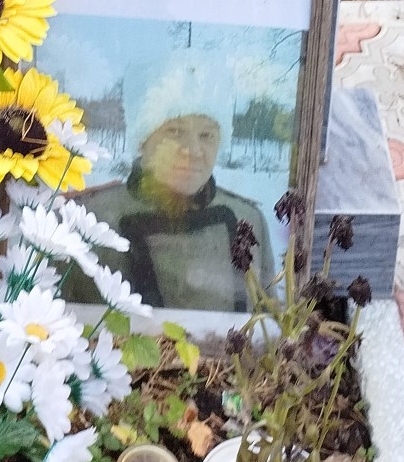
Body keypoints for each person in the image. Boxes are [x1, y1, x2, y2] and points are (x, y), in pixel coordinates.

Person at [67, 62, 276, 313]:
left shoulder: (248, 222)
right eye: (175, 132)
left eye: (207, 135)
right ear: (143, 138)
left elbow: (270, 326)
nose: (194, 151)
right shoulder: (88, 220)